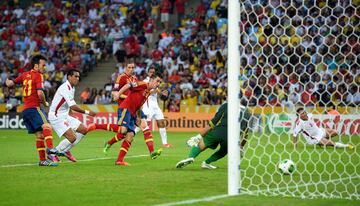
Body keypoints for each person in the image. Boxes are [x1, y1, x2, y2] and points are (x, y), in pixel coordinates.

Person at [87, 63, 163, 165]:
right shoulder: (140, 83)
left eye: (160, 82)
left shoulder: (148, 90)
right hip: (125, 108)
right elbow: (129, 85)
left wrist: (162, 93)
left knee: (130, 135)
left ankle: (120, 160)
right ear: (151, 80)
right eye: (157, 81)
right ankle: (96, 126)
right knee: (123, 130)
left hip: (133, 112)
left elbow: (148, 94)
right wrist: (118, 94)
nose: (158, 84)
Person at [5, 54, 59, 166]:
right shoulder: (38, 75)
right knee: (47, 126)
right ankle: (50, 150)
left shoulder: (24, 75)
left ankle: (43, 160)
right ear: (36, 66)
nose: (45, 68)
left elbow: (10, 83)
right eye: (43, 65)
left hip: (25, 111)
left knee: (40, 135)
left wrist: (7, 81)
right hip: (35, 108)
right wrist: (44, 102)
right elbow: (40, 93)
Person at [48, 69, 97, 162]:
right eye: (75, 76)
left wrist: (71, 115)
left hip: (65, 115)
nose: (77, 78)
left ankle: (65, 150)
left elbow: (68, 105)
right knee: (72, 137)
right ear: (69, 77)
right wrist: (88, 112)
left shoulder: (72, 88)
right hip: (56, 116)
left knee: (83, 129)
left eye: (78, 77)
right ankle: (53, 153)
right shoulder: (64, 88)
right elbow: (73, 106)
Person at [176, 102, 230, 169]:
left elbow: (214, 121)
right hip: (231, 136)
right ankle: (206, 163)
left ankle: (190, 157)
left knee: (202, 144)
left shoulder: (227, 105)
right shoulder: (246, 113)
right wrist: (241, 146)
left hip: (219, 130)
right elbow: (245, 132)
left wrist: (199, 136)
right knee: (224, 151)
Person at [142, 66, 171, 148]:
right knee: (145, 123)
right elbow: (146, 93)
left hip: (155, 104)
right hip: (147, 104)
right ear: (148, 73)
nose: (152, 73)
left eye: (153, 72)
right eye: (150, 72)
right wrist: (158, 91)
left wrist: (163, 94)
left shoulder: (156, 81)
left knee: (161, 122)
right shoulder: (145, 81)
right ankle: (131, 133)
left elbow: (158, 93)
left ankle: (165, 143)